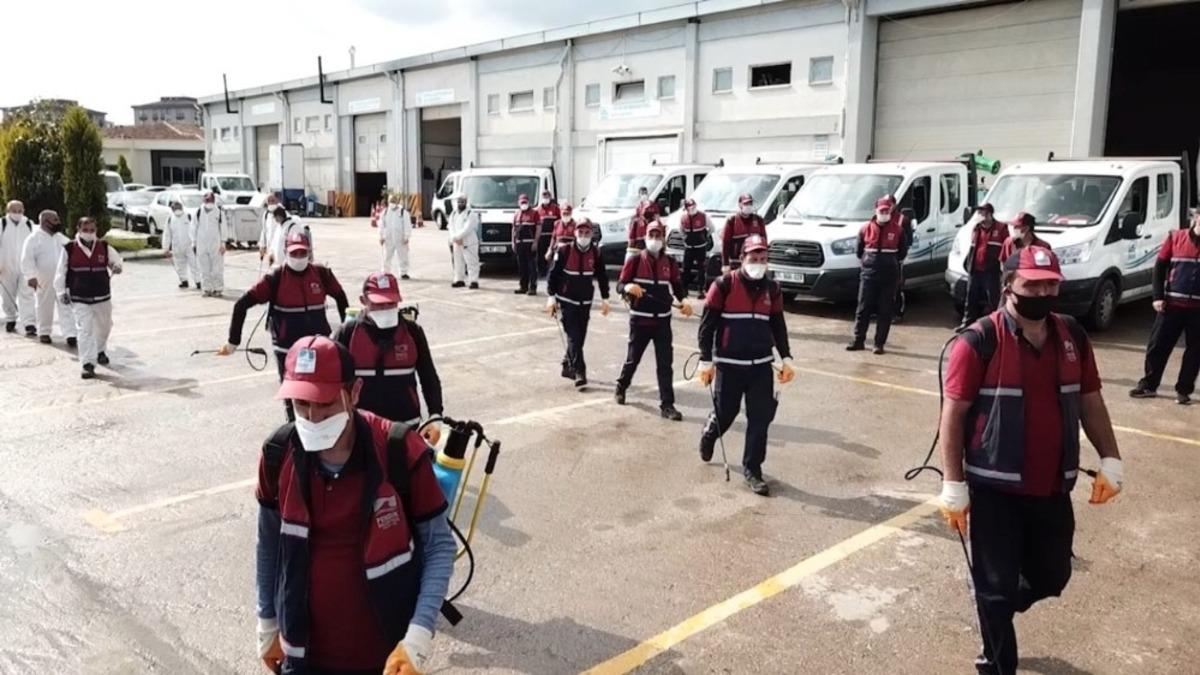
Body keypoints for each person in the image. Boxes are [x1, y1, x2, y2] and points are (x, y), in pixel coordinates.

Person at [936, 246, 1124, 675]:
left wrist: (1111, 458)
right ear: (1008, 287)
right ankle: (996, 652)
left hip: (1053, 486)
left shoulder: (1072, 336)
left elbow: (1090, 400)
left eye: (1050, 284)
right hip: (994, 489)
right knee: (998, 591)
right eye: (1032, 285)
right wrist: (953, 483)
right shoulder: (978, 341)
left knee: (1052, 577)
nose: (1042, 291)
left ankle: (992, 602)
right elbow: (954, 413)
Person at [254, 336, 455, 675]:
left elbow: (438, 544)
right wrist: (267, 622)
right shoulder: (278, 454)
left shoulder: (398, 450)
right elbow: (269, 543)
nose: (312, 418)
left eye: (326, 404)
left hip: (384, 656)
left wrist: (418, 636)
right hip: (301, 654)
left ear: (355, 392)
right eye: (301, 404)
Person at [696, 235, 795, 495]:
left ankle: (753, 469)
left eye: (763, 259)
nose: (758, 263)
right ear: (743, 258)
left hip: (761, 365)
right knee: (725, 414)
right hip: (729, 365)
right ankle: (710, 434)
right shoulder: (724, 285)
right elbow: (707, 326)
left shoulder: (772, 289)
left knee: (760, 419)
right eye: (754, 258)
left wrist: (786, 357)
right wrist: (706, 361)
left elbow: (778, 325)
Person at [219, 234, 349, 421]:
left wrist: (346, 328)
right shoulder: (276, 278)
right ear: (285, 252)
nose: (299, 257)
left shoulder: (321, 273)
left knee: (321, 391)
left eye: (302, 252)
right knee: (293, 394)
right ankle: (293, 430)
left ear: (309, 252)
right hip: (288, 349)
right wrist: (233, 341)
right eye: (294, 252)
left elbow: (341, 297)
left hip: (318, 347)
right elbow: (241, 304)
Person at [334, 272, 445, 444]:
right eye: (379, 304)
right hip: (360, 429)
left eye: (391, 303)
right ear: (363, 301)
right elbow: (331, 379)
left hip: (406, 427)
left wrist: (436, 414)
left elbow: (428, 375)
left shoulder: (412, 332)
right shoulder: (347, 333)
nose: (386, 309)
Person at [614, 221, 693, 420]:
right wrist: (627, 287)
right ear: (646, 237)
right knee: (633, 359)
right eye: (652, 235)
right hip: (640, 321)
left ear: (663, 239)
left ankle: (667, 405)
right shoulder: (635, 260)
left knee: (665, 364)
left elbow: (676, 284)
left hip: (662, 322)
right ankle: (621, 386)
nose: (655, 239)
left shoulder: (670, 262)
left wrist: (683, 300)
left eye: (659, 236)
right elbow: (620, 284)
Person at [1130, 209, 1200, 404]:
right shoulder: (1175, 237)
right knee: (1158, 346)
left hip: (1197, 310)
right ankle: (1148, 386)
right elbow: (1159, 268)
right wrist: (1157, 297)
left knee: (1195, 352)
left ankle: (1184, 391)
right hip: (1171, 305)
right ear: (1196, 218)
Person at [546, 218, 611, 388]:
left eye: (587, 233)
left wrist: (605, 298)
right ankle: (580, 371)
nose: (583, 236)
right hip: (567, 301)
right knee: (574, 336)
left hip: (585, 302)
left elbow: (602, 276)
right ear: (575, 233)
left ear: (591, 234)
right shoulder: (564, 251)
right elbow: (553, 275)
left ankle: (567, 365)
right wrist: (551, 298)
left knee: (579, 338)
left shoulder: (596, 253)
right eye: (580, 232)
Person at [54, 217, 122, 379]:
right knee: (85, 330)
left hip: (102, 296)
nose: (89, 233)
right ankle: (87, 363)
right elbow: (61, 272)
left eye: (92, 230)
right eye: (86, 230)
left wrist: (116, 266)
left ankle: (100, 350)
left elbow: (115, 261)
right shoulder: (69, 249)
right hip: (80, 297)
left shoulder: (104, 247)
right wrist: (61, 292)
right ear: (78, 229)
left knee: (105, 326)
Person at [848, 195, 908, 354]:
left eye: (887, 211)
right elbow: (859, 251)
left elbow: (902, 252)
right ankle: (858, 340)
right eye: (882, 211)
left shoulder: (898, 230)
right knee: (863, 308)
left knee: (885, 310)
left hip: (889, 276)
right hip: (868, 274)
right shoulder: (865, 229)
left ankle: (879, 344)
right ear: (876, 211)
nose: (884, 213)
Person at [19, 210, 76, 346]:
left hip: (61, 280)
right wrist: (31, 276)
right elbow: (26, 260)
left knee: (66, 306)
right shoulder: (34, 238)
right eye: (55, 220)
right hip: (44, 280)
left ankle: (70, 334)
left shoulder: (59, 237)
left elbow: (72, 248)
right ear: (45, 222)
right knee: (44, 306)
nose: (58, 222)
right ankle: (44, 332)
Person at [960, 203, 1008, 328]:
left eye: (982, 212)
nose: (979, 214)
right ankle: (967, 323)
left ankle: (996, 325)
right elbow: (973, 248)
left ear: (989, 214)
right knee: (970, 297)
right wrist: (968, 265)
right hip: (975, 270)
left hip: (991, 271)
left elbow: (1006, 249)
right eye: (979, 212)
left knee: (993, 299)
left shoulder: (1001, 228)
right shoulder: (976, 228)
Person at [1, 200, 36, 335]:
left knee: (27, 295)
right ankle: (10, 318)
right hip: (6, 266)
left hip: (25, 267)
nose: (17, 213)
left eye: (20, 211)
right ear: (8, 211)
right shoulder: (2, 224)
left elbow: (36, 243)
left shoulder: (29, 224)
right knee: (7, 295)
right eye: (14, 211)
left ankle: (29, 323)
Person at [192, 192, 227, 297]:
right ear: (204, 201)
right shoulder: (198, 212)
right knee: (204, 268)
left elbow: (223, 229)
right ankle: (206, 289)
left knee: (217, 268)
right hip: (201, 244)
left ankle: (218, 288)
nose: (209, 203)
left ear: (214, 201)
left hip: (215, 245)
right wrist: (194, 242)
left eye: (211, 201)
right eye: (207, 201)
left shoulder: (219, 213)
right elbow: (193, 228)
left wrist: (223, 243)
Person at [721, 194, 767, 273]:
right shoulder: (732, 221)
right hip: (736, 261)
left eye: (750, 204)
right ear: (740, 205)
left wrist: (765, 261)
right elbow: (725, 242)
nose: (748, 206)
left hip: (754, 261)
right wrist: (725, 263)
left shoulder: (759, 220)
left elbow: (764, 240)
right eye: (745, 204)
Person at [679, 198, 713, 294]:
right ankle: (685, 289)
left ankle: (700, 289)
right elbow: (681, 230)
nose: (692, 209)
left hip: (700, 247)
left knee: (701, 269)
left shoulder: (703, 216)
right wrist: (685, 238)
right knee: (686, 268)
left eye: (693, 206)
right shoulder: (683, 218)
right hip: (689, 247)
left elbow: (711, 228)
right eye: (690, 207)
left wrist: (705, 236)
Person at [162, 200, 198, 289]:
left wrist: (195, 243)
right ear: (172, 209)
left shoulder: (188, 216)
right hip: (177, 246)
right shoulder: (170, 219)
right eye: (175, 208)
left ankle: (198, 281)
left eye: (178, 208)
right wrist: (166, 248)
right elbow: (167, 234)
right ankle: (184, 280)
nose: (177, 210)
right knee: (179, 264)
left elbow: (195, 230)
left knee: (194, 264)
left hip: (189, 245)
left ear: (182, 208)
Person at [447, 196, 480, 289]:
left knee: (472, 262)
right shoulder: (453, 214)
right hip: (457, 242)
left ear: (466, 202)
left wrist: (458, 237)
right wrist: (454, 238)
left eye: (462, 202)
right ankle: (459, 279)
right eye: (459, 202)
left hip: (469, 242)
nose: (460, 203)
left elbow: (468, 228)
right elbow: (450, 226)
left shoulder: (471, 213)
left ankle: (473, 281)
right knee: (458, 262)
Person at [511, 193, 540, 295]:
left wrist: (536, 241)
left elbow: (538, 228)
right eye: (522, 202)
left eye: (525, 202)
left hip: (530, 244)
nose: (524, 204)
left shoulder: (534, 213)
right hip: (519, 243)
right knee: (522, 267)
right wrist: (513, 242)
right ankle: (523, 286)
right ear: (519, 203)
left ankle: (533, 287)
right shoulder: (516, 214)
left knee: (532, 267)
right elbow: (514, 229)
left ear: (528, 202)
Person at [380, 194, 413, 280]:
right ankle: (386, 272)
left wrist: (407, 236)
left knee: (403, 256)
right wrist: (381, 236)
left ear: (397, 202)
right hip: (388, 238)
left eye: (394, 201)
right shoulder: (385, 212)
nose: (392, 203)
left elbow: (407, 225)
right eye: (391, 201)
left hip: (400, 239)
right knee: (387, 256)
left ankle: (404, 272)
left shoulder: (403, 212)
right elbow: (382, 225)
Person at [535, 189, 560, 276]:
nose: (545, 198)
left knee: (552, 254)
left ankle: (551, 272)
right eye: (544, 197)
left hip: (552, 236)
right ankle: (541, 272)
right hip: (541, 236)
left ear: (550, 197)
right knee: (541, 255)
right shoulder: (538, 210)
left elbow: (559, 222)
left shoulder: (555, 208)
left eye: (547, 196)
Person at [258, 194, 282, 267]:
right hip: (270, 248)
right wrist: (262, 245)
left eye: (273, 201)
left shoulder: (283, 213)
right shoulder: (266, 215)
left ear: (278, 200)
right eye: (269, 201)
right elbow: (264, 231)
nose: (271, 203)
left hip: (280, 248)